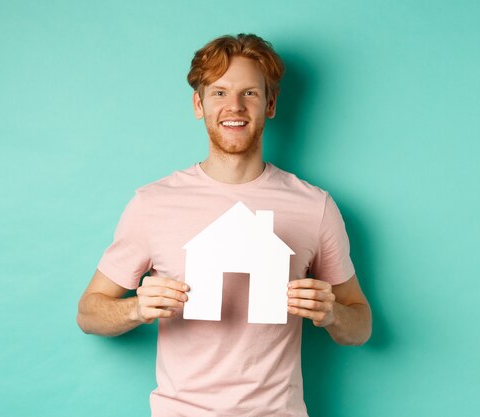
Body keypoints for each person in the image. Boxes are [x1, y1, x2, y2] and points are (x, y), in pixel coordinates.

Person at [77, 33, 372, 417]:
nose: (234, 106)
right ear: (198, 104)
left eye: (249, 93)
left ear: (270, 104)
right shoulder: (153, 204)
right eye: (219, 93)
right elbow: (88, 312)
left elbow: (360, 325)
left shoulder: (315, 206)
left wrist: (333, 314)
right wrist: (136, 309)